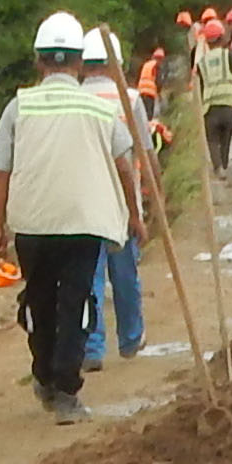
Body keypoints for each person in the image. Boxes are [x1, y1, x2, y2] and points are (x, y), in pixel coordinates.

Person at [0, 11, 130, 427]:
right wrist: (134, 214)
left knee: (40, 300)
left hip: (33, 223)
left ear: (38, 61)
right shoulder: (100, 110)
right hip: (83, 223)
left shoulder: (20, 106)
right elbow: (125, 164)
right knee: (75, 304)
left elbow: (1, 171)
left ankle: (44, 376)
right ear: (79, 63)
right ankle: (65, 389)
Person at [77, 26, 150, 376]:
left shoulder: (74, 100)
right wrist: (155, 194)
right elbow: (146, 153)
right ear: (115, 64)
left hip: (88, 203)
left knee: (89, 277)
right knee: (125, 275)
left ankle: (92, 346)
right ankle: (131, 338)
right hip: (123, 205)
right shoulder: (130, 99)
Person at [196, 10, 232, 181]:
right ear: (222, 38)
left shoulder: (202, 63)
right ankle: (224, 165)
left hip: (211, 108)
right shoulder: (228, 56)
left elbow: (201, 89)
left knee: (212, 139)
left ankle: (218, 168)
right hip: (229, 104)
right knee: (226, 138)